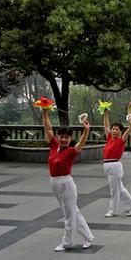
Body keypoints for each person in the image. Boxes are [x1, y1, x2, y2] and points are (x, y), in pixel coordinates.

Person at [42, 108, 94, 252]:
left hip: (66, 183)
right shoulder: (54, 146)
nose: (64, 139)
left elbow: (82, 142)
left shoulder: (71, 151)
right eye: (62, 136)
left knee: (69, 214)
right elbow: (48, 128)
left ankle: (67, 243)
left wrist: (86, 131)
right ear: (58, 137)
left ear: (70, 139)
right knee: (73, 212)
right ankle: (88, 236)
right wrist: (45, 111)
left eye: (67, 137)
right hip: (54, 182)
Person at [102, 109, 131, 217]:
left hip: (115, 166)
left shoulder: (121, 140)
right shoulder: (109, 139)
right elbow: (105, 125)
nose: (114, 131)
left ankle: (112, 211)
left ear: (120, 131)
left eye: (116, 129)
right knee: (120, 189)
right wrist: (106, 114)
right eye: (113, 129)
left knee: (114, 190)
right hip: (108, 166)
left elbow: (130, 129)